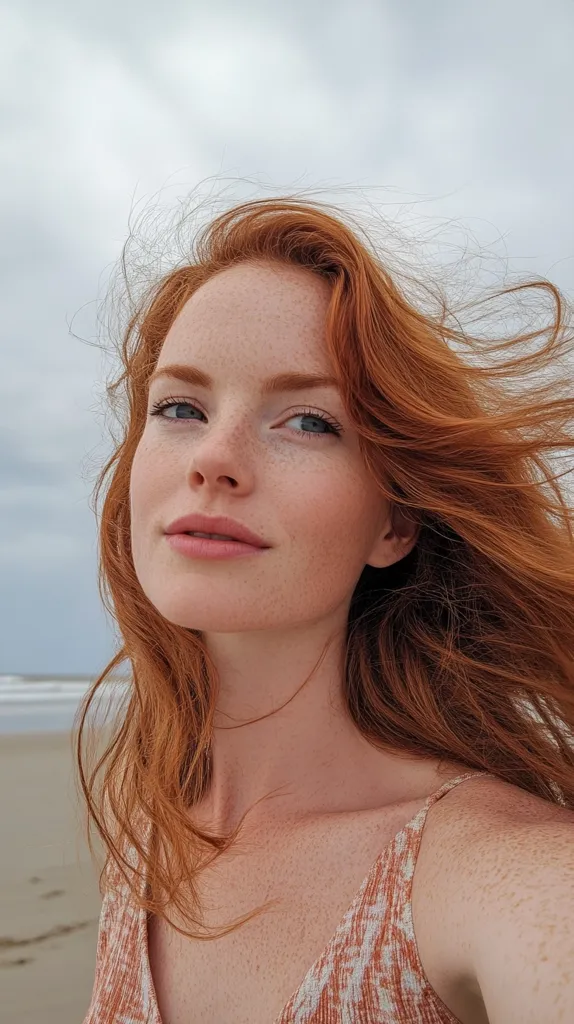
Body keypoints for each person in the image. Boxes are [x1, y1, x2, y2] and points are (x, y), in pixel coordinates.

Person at [78, 196, 574, 1024]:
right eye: (180, 407)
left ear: (393, 523)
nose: (215, 459)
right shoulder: (149, 830)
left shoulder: (499, 875)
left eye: (308, 421)